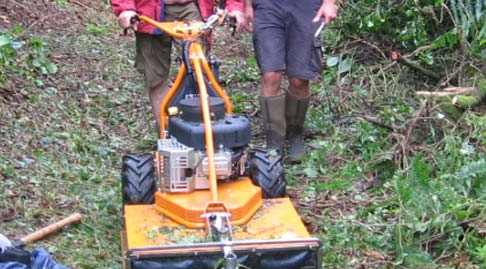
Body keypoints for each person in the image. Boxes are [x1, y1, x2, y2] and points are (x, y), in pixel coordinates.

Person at [111, 0, 246, 123]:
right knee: (156, 76)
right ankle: (165, 133)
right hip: (148, 8)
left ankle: (203, 132)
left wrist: (234, 7)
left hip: (192, 7)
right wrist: (125, 8)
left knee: (198, 70)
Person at [242, 0, 338, 161]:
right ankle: (274, 142)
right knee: (270, 74)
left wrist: (329, 3)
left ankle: (295, 133)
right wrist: (247, 5)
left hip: (306, 7)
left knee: (299, 78)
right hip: (267, 6)